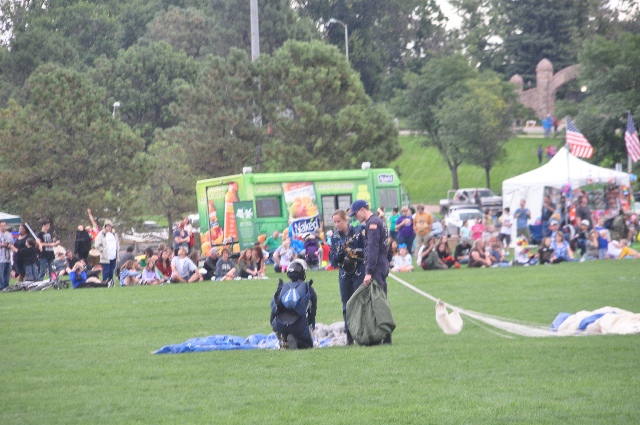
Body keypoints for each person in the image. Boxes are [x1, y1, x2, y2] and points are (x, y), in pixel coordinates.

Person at [350, 199, 392, 345]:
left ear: (362, 210)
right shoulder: (379, 221)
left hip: (375, 268)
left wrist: (368, 272)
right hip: (382, 265)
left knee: (378, 303)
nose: (356, 218)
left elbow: (373, 249)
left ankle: (385, 336)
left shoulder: (372, 224)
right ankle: (384, 336)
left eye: (355, 214)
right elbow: (387, 246)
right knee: (381, 300)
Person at [329, 209, 365, 345]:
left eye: (339, 221)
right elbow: (332, 260)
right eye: (335, 222)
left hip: (358, 271)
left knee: (359, 303)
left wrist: (355, 252)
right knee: (346, 305)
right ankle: (349, 337)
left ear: (345, 220)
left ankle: (362, 333)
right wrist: (339, 253)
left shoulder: (358, 232)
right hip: (344, 273)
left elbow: (366, 251)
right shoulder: (335, 237)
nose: (337, 224)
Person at [270, 259, 317, 349]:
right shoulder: (308, 288)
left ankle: (284, 339)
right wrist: (310, 324)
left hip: (279, 325)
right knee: (308, 345)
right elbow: (313, 311)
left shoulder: (282, 287)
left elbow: (273, 309)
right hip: (299, 327)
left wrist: (275, 329)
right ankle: (295, 339)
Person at [94, 219, 118, 285]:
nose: (109, 228)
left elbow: (117, 243)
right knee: (106, 270)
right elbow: (97, 245)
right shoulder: (101, 234)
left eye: (110, 226)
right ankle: (105, 283)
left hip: (113, 255)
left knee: (111, 270)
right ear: (105, 227)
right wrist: (103, 250)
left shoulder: (114, 234)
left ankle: (111, 282)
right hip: (105, 256)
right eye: (107, 226)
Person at [0, 221, 16, 290]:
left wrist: (9, 246)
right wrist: (5, 245)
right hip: (1, 257)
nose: (3, 227)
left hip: (8, 257)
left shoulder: (9, 234)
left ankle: (6, 286)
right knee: (1, 272)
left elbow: (12, 243)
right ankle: (1, 286)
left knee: (7, 272)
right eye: (2, 226)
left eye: (4, 226)